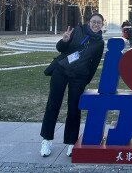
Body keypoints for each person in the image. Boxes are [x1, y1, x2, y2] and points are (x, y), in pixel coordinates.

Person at [40, 13, 105, 158]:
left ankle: (71, 142)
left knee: (74, 108)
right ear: (89, 22)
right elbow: (61, 49)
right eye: (93, 21)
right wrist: (64, 41)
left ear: (102, 25)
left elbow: (94, 65)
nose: (96, 25)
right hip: (61, 70)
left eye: (99, 23)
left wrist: (85, 79)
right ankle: (47, 140)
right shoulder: (77, 30)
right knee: (53, 104)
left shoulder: (99, 43)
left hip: (79, 77)